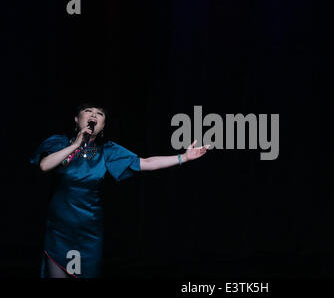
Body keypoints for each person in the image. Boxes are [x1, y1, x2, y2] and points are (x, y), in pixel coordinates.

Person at [29, 102, 210, 278]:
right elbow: (45, 165)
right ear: (76, 119)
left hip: (88, 230)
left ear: (103, 125)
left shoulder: (107, 150)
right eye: (88, 110)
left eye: (99, 114)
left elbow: (145, 163)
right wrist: (76, 144)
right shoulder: (59, 142)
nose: (93, 115)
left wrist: (183, 157)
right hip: (60, 229)